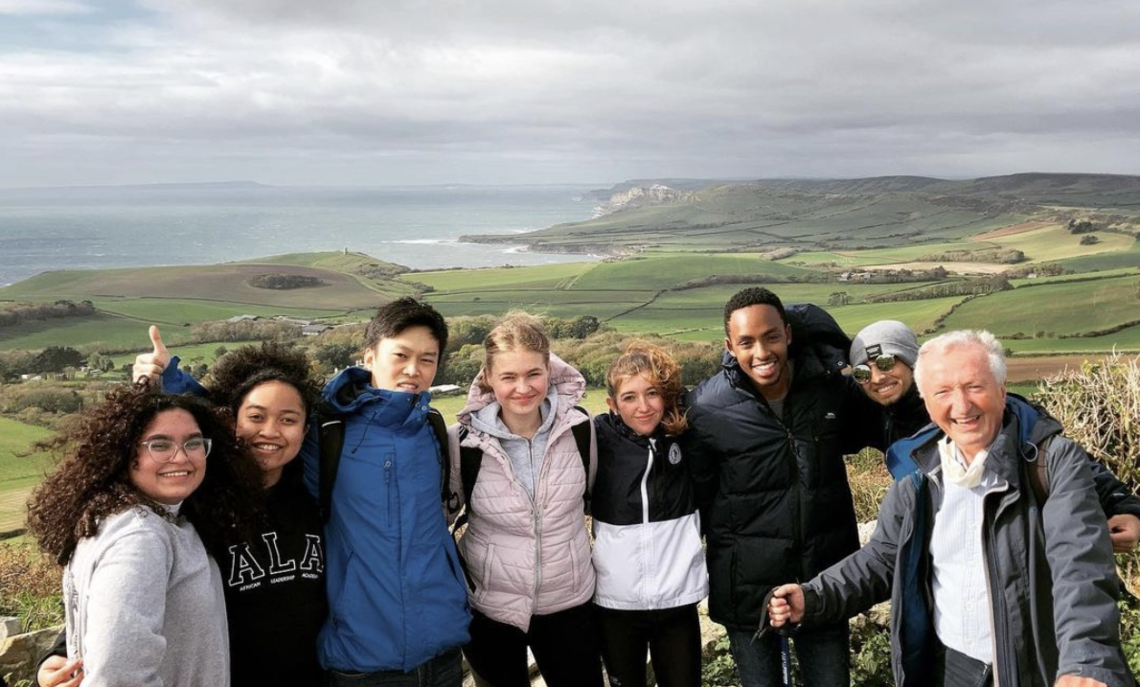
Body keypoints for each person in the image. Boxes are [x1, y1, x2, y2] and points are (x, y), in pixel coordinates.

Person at [768, 329, 1134, 687]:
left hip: (1038, 665)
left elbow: (1078, 561)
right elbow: (884, 558)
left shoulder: (1050, 463)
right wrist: (813, 597)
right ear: (926, 401)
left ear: (1002, 390)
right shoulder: (918, 475)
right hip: (949, 667)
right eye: (943, 392)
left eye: (974, 386)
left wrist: (1086, 657)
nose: (961, 406)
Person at [134, 298, 469, 685]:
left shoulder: (430, 427)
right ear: (369, 356)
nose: (413, 369)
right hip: (364, 659)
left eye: (428, 359)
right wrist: (169, 378)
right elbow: (255, 422)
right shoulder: (329, 432)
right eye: (401, 355)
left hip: (443, 645)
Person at [684, 287, 880, 687]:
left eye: (770, 336)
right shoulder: (707, 410)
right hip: (748, 592)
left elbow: (888, 428)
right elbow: (699, 498)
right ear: (729, 346)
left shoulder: (830, 390)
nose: (761, 352)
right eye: (746, 342)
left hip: (821, 581)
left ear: (788, 334)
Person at [26, 386, 263, 687]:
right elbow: (118, 678)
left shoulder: (128, 520)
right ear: (126, 452)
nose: (181, 457)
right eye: (160, 445)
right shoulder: (140, 538)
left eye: (193, 443)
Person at [849, 319, 1140, 551]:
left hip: (1019, 553)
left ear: (912, 360)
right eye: (863, 372)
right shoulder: (884, 418)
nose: (877, 378)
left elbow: (1059, 456)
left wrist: (1123, 507)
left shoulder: (977, 410)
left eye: (886, 363)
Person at [447, 312, 603, 687]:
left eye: (533, 374)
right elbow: (443, 517)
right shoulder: (461, 442)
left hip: (569, 601)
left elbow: (593, 501)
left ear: (549, 371)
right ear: (487, 378)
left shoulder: (581, 429)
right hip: (489, 609)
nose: (523, 388)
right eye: (508, 377)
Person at [591, 343, 707, 687]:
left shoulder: (686, 437)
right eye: (629, 397)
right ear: (612, 404)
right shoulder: (598, 438)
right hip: (615, 605)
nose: (643, 407)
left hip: (677, 602)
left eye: (652, 393)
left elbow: (716, 395)